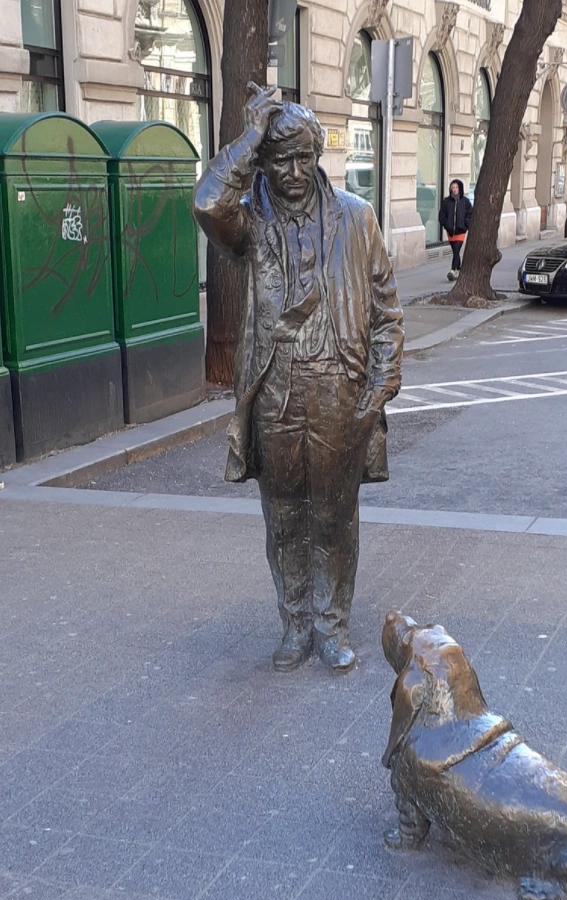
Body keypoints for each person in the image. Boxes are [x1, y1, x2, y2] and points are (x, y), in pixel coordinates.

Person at [194, 84, 404, 673]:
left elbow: (387, 310)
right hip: (276, 386)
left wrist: (378, 388)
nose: (292, 170)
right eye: (279, 158)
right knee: (284, 513)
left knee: (334, 514)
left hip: (340, 386)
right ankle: (294, 623)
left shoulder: (357, 219)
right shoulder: (251, 219)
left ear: (318, 156)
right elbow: (209, 205)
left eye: (303, 156)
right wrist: (250, 135)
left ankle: (332, 625)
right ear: (262, 161)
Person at [438, 180, 473, 281]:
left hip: (460, 231)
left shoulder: (465, 201)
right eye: (452, 187)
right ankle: (459, 269)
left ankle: (452, 270)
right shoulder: (446, 201)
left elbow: (470, 214)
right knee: (455, 252)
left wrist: (465, 225)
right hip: (450, 231)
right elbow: (442, 215)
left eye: (456, 187)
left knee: (457, 250)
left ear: (460, 188)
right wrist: (445, 224)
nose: (454, 190)